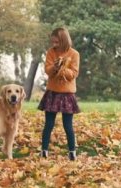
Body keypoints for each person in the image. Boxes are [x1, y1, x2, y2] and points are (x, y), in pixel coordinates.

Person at [38, 27, 80, 161]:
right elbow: (47, 70)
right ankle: (44, 150)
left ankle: (72, 152)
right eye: (53, 42)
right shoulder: (51, 52)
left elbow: (73, 74)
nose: (54, 45)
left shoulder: (74, 54)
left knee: (68, 125)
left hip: (67, 94)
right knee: (48, 124)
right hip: (53, 93)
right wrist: (55, 67)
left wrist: (63, 68)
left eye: (57, 42)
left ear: (64, 40)